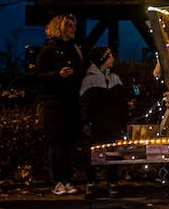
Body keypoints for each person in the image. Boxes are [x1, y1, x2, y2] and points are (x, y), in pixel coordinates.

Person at [34, 14, 84, 196]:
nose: (73, 29)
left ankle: (68, 179)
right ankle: (57, 181)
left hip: (71, 102)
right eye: (70, 26)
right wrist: (57, 75)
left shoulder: (74, 48)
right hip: (54, 103)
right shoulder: (49, 49)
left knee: (69, 145)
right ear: (60, 27)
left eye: (74, 25)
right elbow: (37, 75)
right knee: (56, 144)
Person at [80, 46, 132, 198]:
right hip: (96, 124)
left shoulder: (115, 78)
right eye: (109, 57)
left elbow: (123, 100)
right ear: (103, 59)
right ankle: (91, 182)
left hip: (112, 124)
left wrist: (123, 119)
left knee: (113, 153)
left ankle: (112, 182)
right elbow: (84, 104)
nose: (113, 59)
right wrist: (86, 122)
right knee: (92, 153)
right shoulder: (89, 80)